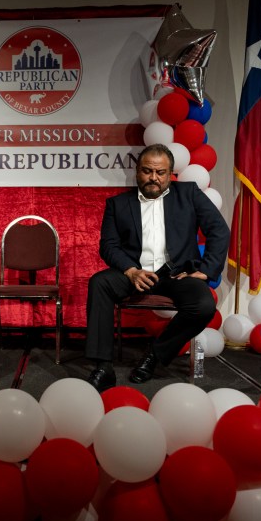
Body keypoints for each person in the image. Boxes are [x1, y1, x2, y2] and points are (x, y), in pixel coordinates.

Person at [85, 143, 230, 391]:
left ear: (170, 173)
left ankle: (154, 355)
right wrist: (131, 271)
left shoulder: (189, 194)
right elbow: (108, 246)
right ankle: (103, 367)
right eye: (147, 171)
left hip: (177, 273)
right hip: (135, 272)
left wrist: (206, 269)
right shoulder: (118, 204)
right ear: (137, 171)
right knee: (100, 283)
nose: (153, 178)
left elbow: (219, 230)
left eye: (160, 172)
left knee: (204, 305)